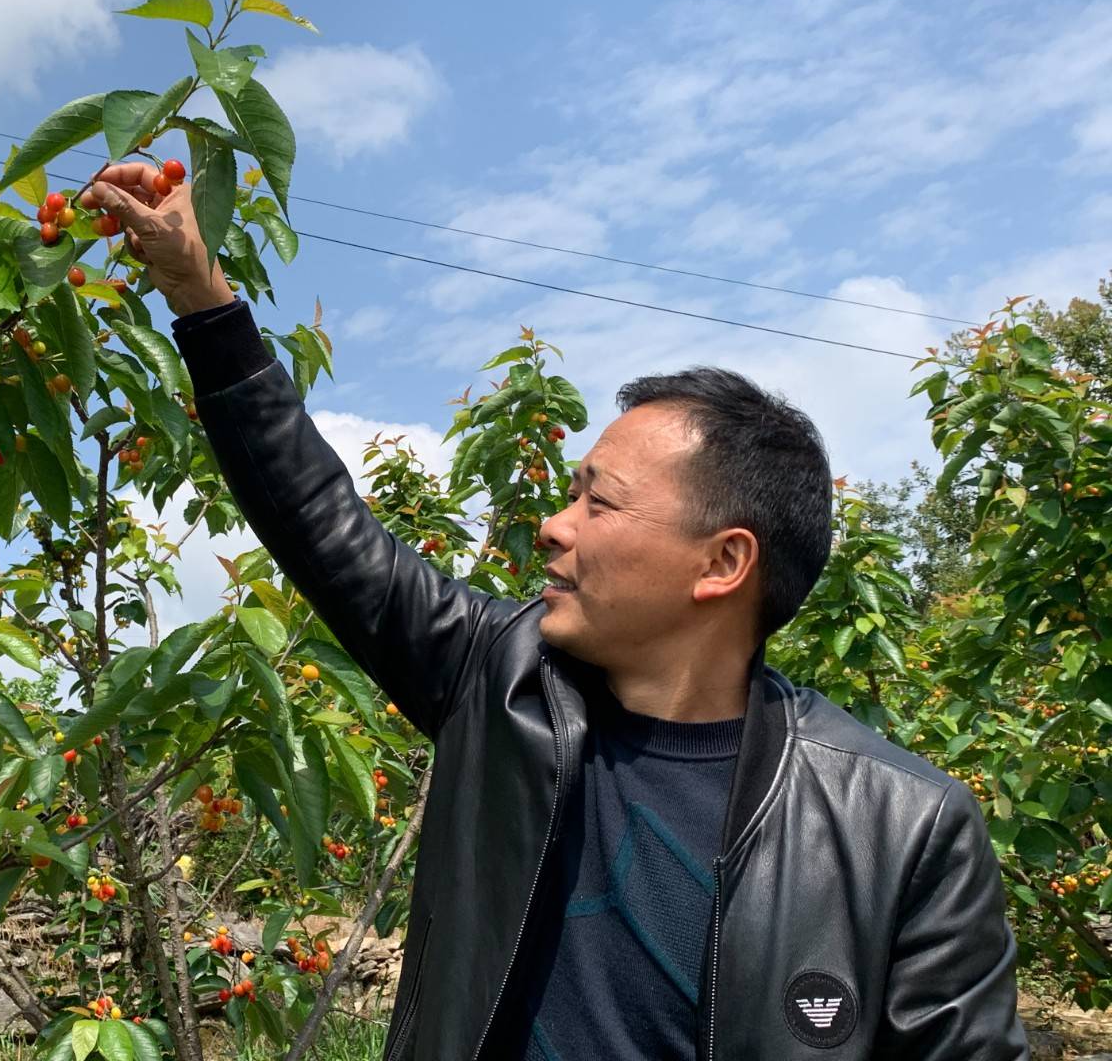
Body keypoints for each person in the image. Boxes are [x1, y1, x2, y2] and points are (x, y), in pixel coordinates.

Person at [83, 165, 1029, 1060]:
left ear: (722, 563)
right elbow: (323, 525)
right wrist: (199, 294)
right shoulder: (497, 678)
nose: (551, 525)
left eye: (597, 502)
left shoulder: (902, 827)